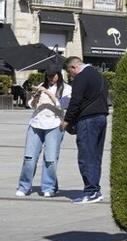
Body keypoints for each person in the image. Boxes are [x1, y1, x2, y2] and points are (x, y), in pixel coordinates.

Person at [15, 65, 71, 198]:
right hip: (36, 124)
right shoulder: (41, 85)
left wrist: (47, 92)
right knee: (29, 157)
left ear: (59, 75)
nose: (51, 78)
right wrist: (35, 97)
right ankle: (24, 186)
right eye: (49, 76)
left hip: (54, 125)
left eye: (53, 75)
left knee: (50, 159)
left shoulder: (67, 89)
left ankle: (49, 187)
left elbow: (63, 104)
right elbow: (31, 105)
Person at [62, 57, 110, 204]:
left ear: (73, 67)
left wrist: (67, 120)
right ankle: (96, 190)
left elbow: (75, 101)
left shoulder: (81, 77)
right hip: (102, 118)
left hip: (88, 120)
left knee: (86, 156)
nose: (70, 77)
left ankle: (90, 192)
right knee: (95, 156)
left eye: (69, 73)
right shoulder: (99, 76)